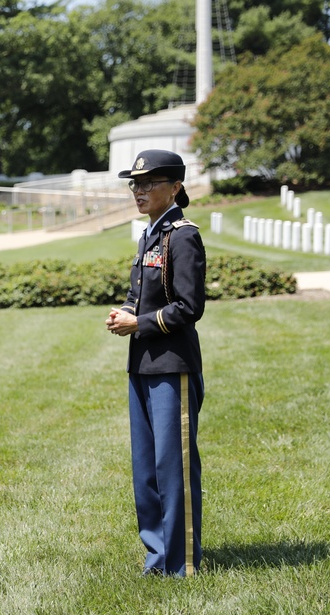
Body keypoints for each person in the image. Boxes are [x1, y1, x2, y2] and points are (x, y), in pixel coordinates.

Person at [105, 149, 206, 577]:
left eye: (149, 184)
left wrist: (139, 322)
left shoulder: (182, 235)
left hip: (171, 365)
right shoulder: (150, 234)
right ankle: (158, 557)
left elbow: (189, 306)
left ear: (176, 187)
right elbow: (140, 292)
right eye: (135, 184)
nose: (139, 191)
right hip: (142, 364)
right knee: (145, 469)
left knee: (173, 466)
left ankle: (181, 563)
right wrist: (124, 312)